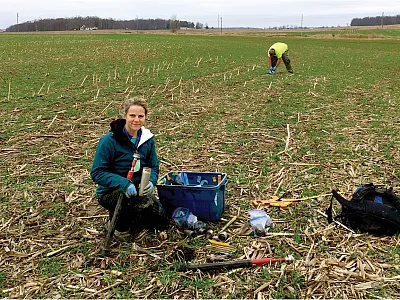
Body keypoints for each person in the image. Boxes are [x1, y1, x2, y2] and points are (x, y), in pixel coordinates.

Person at [90, 97, 169, 237]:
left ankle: (131, 217)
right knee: (127, 222)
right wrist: (123, 184)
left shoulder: (147, 140)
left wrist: (151, 181)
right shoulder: (109, 141)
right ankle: (116, 223)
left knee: (161, 222)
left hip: (138, 189)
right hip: (112, 191)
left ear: (145, 117)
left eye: (140, 116)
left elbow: (153, 166)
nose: (136, 120)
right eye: (132, 115)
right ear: (125, 115)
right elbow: (97, 172)